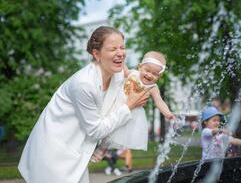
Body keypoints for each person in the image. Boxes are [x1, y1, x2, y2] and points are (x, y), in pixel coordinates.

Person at [18, 26, 150, 183]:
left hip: (75, 154)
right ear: (96, 54)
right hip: (52, 155)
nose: (120, 53)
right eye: (113, 49)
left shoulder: (117, 75)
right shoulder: (84, 84)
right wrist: (128, 107)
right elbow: (95, 130)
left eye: (122, 47)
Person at [92, 51, 175, 154]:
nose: (150, 75)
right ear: (140, 67)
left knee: (115, 133)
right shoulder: (133, 73)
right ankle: (95, 145)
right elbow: (124, 69)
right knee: (105, 125)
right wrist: (122, 59)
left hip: (132, 114)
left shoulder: (153, 87)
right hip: (117, 104)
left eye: (155, 74)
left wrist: (168, 113)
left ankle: (102, 150)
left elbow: (159, 101)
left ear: (159, 76)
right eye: (147, 70)